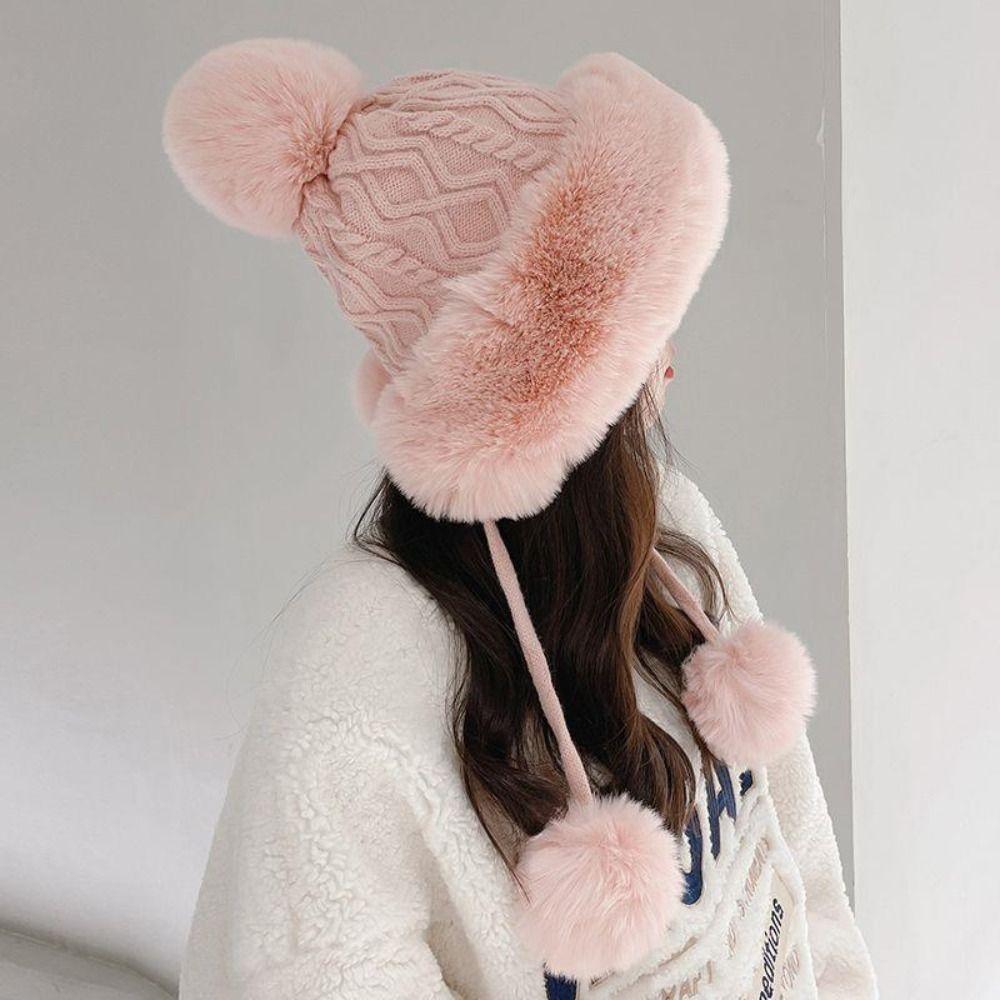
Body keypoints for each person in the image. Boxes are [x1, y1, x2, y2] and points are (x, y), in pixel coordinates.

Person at [163, 39, 877, 999]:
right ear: (539, 378)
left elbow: (799, 855)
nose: (670, 360)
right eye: (631, 325)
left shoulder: (665, 524)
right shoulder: (353, 678)